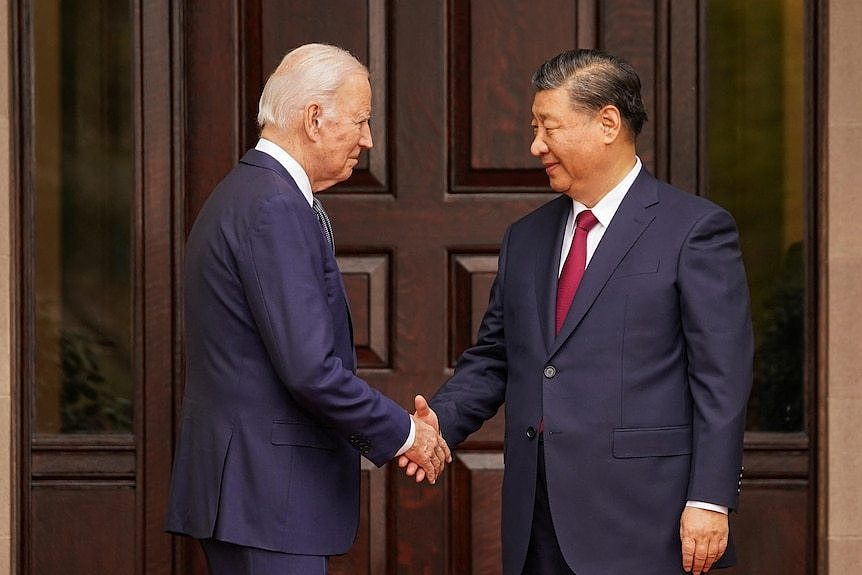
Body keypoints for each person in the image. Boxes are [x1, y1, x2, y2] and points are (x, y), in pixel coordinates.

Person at [402, 48, 753, 575]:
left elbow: (721, 378)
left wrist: (709, 499)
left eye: (549, 127)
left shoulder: (694, 230)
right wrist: (437, 426)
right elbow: (497, 356)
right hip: (538, 523)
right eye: (534, 127)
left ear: (607, 122)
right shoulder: (526, 237)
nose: (535, 145)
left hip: (649, 521)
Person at [165, 43, 450, 574]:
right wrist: (407, 434)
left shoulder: (250, 192)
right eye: (361, 121)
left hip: (252, 494)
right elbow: (310, 369)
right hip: (266, 495)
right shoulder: (273, 204)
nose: (367, 139)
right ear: (314, 118)